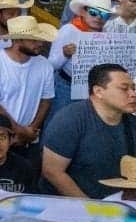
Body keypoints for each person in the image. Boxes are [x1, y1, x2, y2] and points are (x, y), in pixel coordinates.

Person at [42, 63, 136, 199]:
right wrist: (90, 208)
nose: (132, 94)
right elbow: (52, 171)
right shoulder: (71, 119)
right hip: (71, 207)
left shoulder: (131, 123)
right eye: (124, 89)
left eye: (133, 88)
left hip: (117, 204)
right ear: (98, 91)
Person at [0, 15, 56, 173]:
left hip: (28, 139)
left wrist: (31, 129)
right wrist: (20, 131)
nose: (40, 44)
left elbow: (46, 100)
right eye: (33, 40)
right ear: (18, 40)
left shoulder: (45, 65)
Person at [49, 0, 113, 118]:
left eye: (104, 15)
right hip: (66, 86)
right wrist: (64, 54)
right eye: (94, 12)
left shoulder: (107, 35)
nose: (99, 17)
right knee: (56, 123)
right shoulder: (69, 30)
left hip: (91, 90)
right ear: (84, 11)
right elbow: (51, 65)